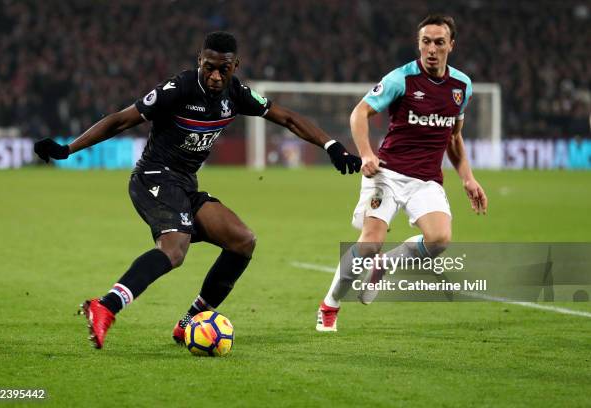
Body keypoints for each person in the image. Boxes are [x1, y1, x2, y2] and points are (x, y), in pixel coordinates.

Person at [34, 31, 361, 349]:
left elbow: (287, 118)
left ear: (236, 66)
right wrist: (68, 149)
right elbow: (121, 120)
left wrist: (331, 144)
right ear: (199, 61)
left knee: (242, 240)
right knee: (175, 249)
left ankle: (191, 321)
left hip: (185, 184)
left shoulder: (237, 94)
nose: (216, 75)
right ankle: (105, 306)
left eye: (224, 68)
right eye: (209, 67)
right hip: (153, 177)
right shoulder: (178, 88)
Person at [316, 15, 488, 332]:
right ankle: (330, 306)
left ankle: (386, 264)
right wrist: (366, 153)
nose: (431, 49)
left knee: (439, 239)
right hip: (387, 174)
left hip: (426, 180)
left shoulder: (462, 86)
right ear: (418, 43)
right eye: (426, 41)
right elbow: (359, 113)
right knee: (369, 243)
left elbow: (453, 136)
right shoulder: (402, 79)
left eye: (439, 42)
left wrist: (468, 177)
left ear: (452, 45)